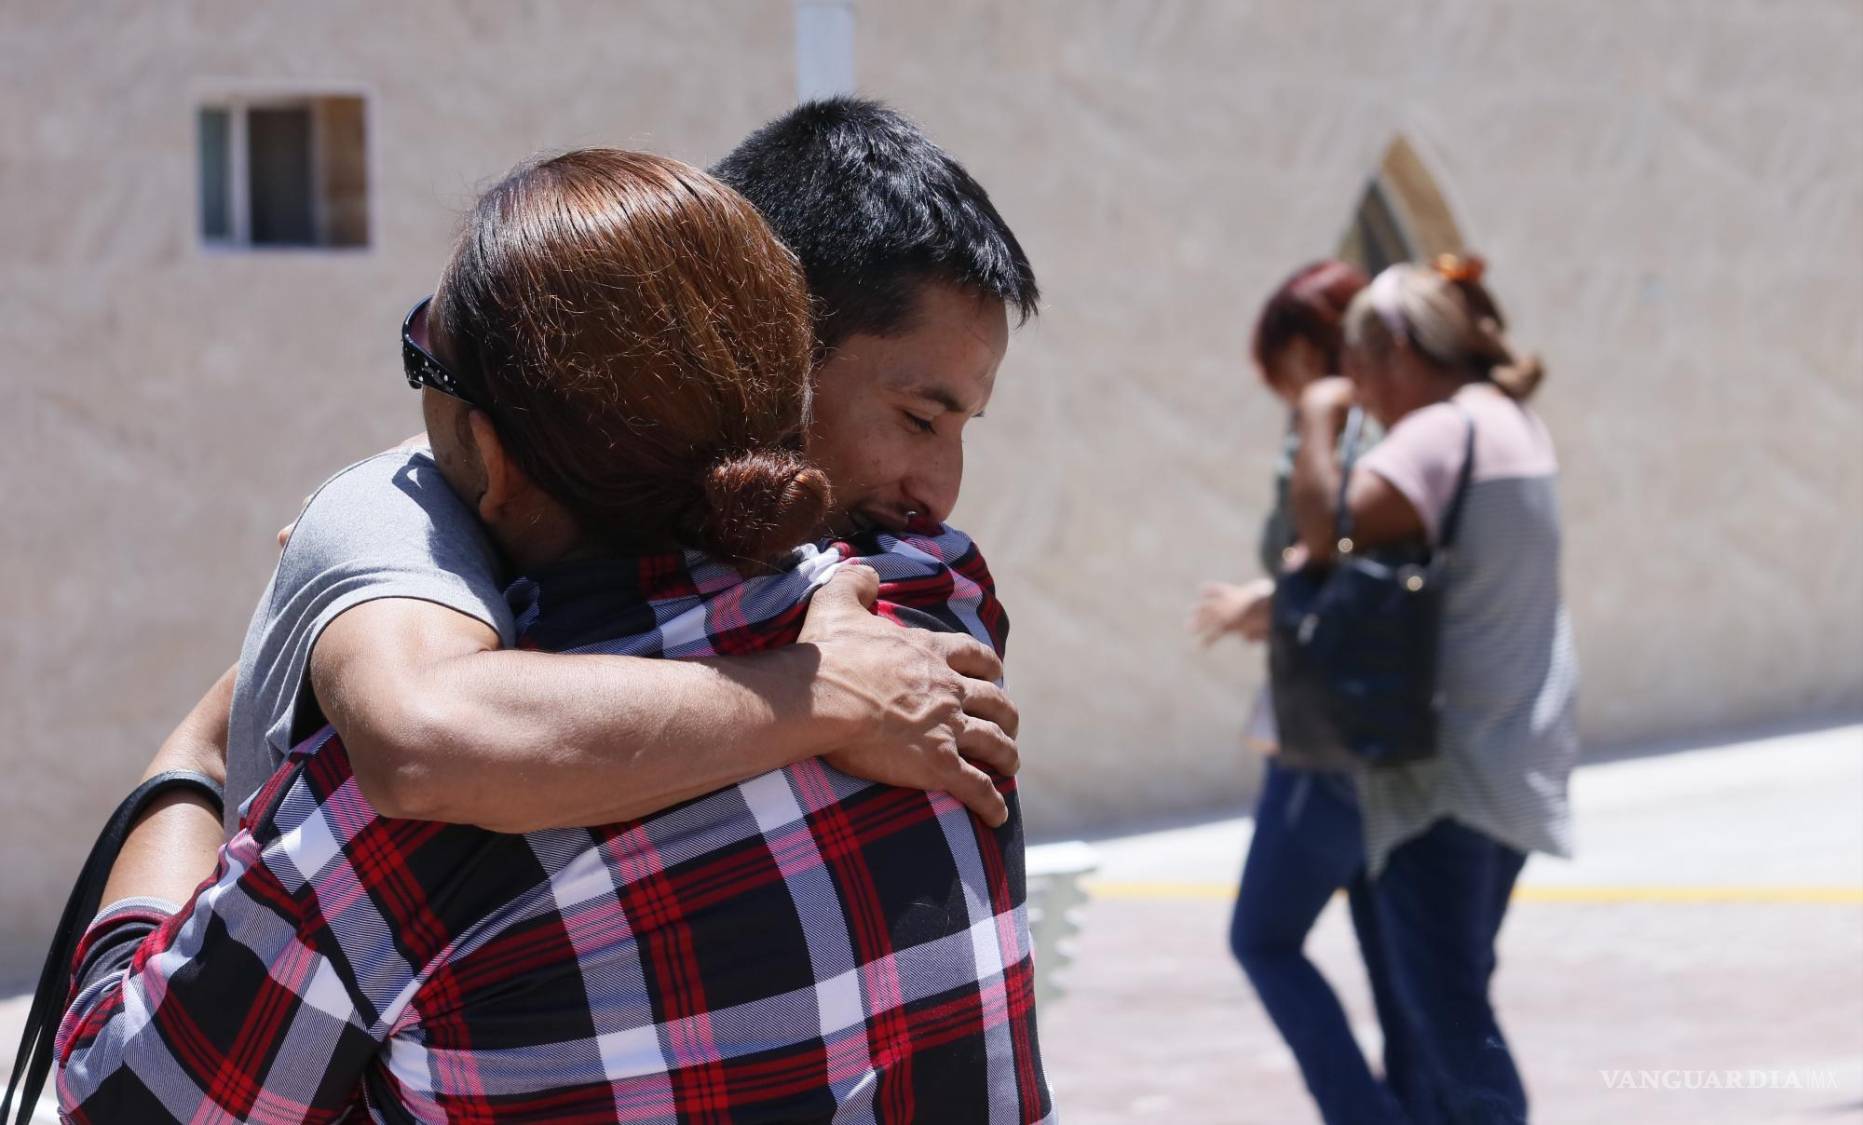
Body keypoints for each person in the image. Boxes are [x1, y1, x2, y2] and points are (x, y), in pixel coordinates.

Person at [58, 148, 1051, 1122]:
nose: (940, 483)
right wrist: (813, 692)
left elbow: (121, 1100)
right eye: (923, 419)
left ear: (489, 457)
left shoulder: (394, 840)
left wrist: (191, 761)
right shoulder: (930, 611)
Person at [1289, 255, 1578, 1124]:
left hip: (1441, 777)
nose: (1355, 385)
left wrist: (1312, 418)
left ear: (1401, 350)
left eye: (1358, 359)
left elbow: (1323, 525)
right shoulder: (1511, 420)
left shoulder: (1440, 432)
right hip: (1514, 755)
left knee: (1449, 1021)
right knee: (1449, 1000)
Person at [1191, 261, 1416, 1124]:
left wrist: (1270, 598)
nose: (1283, 387)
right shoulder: (1397, 430)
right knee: (1395, 964)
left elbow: (1339, 557)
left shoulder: (1335, 427)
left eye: (1287, 360)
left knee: (1262, 937)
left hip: (1329, 734)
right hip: (1387, 736)